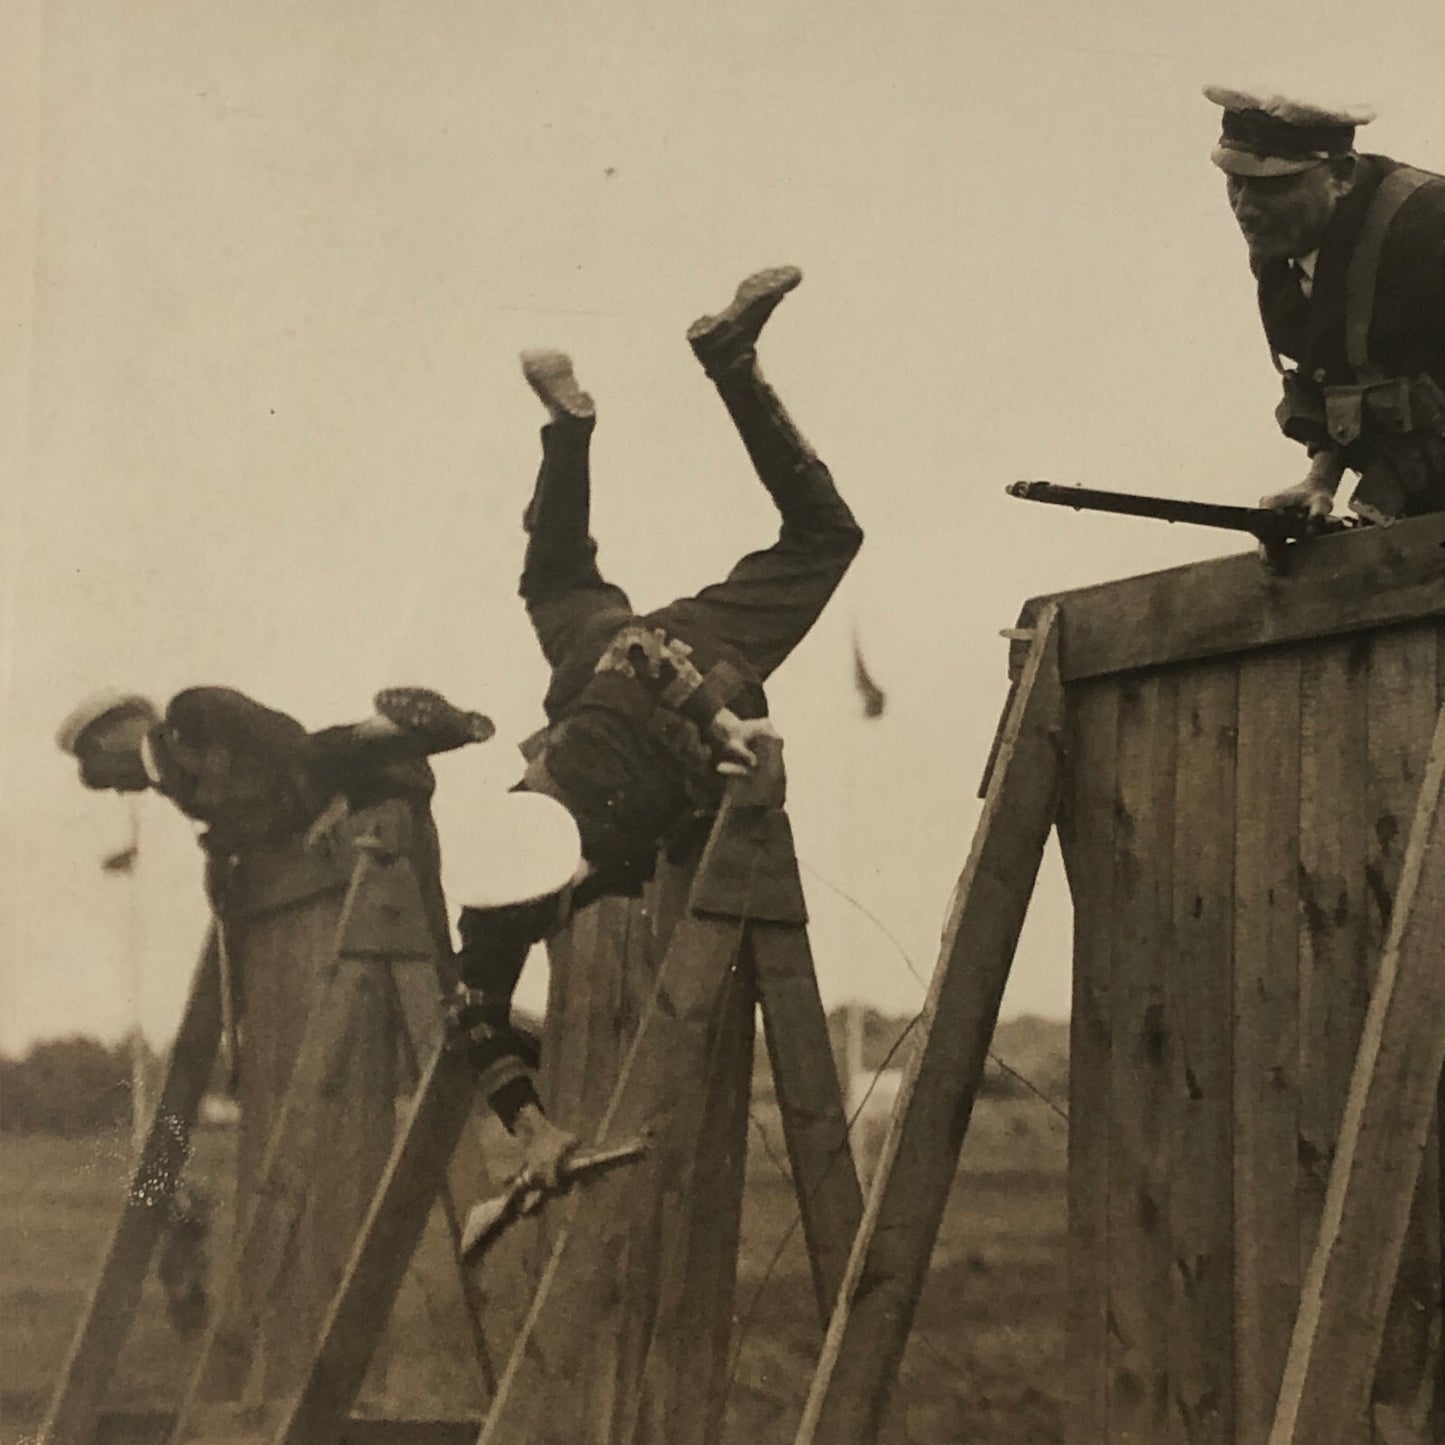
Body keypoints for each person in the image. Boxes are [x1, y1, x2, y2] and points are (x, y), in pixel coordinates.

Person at [448, 266, 863, 1157]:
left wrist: (726, 732)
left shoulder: (583, 799)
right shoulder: (502, 891)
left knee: (827, 539)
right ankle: (572, 430)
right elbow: (473, 1016)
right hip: (603, 661)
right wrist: (535, 1132)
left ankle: (730, 363)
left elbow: (651, 664)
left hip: (674, 672)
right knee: (557, 581)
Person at [1206, 85, 1445, 526]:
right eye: (1235, 183)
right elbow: (1338, 373)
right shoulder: (1281, 250)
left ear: (1343, 174)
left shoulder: (1430, 223)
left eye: (1271, 186)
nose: (1245, 208)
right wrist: (1320, 481)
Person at [56, 684, 493, 855]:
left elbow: (273, 731)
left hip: (309, 778)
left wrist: (217, 772)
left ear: (113, 736)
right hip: (324, 805)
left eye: (101, 768)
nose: (116, 789)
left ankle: (397, 728)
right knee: (369, 763)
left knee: (337, 751)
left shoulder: (186, 716)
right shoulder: (176, 787)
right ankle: (421, 731)